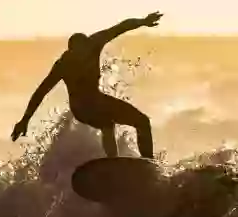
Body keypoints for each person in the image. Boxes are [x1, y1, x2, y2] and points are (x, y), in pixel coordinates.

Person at [11, 12, 162, 159]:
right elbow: (41, 92)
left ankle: (148, 165)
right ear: (70, 51)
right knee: (107, 124)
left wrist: (143, 21)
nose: (79, 58)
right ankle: (112, 165)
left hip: (98, 100)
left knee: (141, 121)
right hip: (81, 108)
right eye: (75, 54)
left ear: (87, 46)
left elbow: (121, 27)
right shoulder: (63, 65)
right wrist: (25, 120)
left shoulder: (95, 43)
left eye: (82, 53)